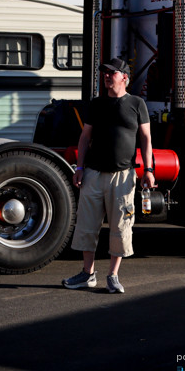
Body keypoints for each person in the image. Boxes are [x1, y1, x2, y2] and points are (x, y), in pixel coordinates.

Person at [62, 57, 155, 294]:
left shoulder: (136, 103)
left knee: (121, 226)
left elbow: (146, 139)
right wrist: (80, 168)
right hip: (93, 174)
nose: (106, 76)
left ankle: (113, 276)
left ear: (124, 77)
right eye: (104, 73)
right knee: (87, 226)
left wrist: (149, 170)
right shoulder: (96, 104)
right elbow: (85, 138)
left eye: (111, 73)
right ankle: (87, 274)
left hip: (123, 176)